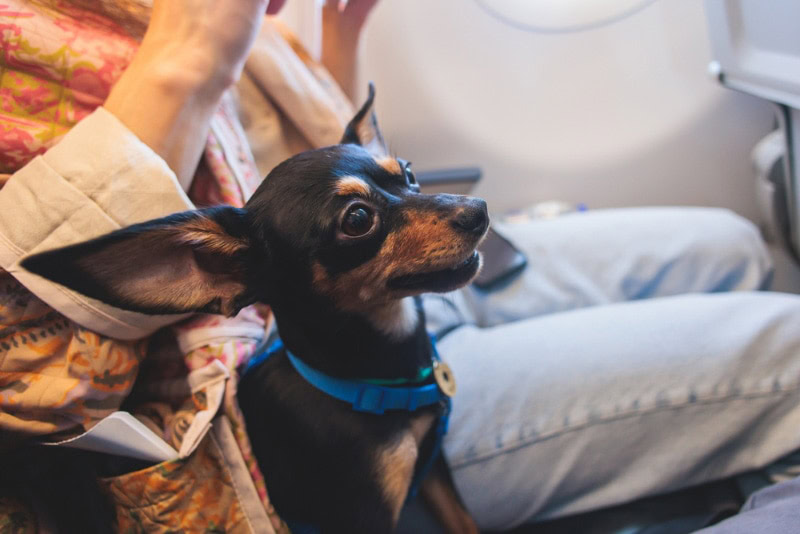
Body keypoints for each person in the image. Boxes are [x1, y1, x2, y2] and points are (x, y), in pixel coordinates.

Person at [1, 0, 800, 532]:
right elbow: (33, 375)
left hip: (394, 300)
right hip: (298, 401)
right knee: (789, 340)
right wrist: (194, 48)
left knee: (726, 241)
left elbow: (302, 177)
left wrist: (338, 37)